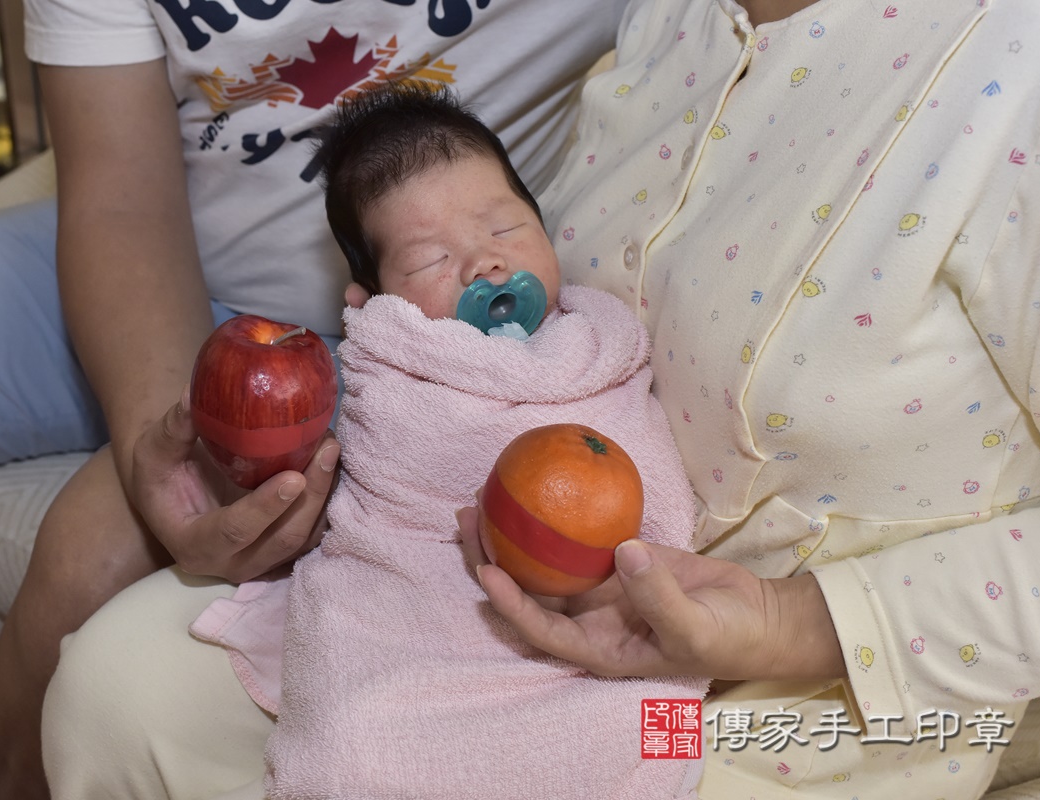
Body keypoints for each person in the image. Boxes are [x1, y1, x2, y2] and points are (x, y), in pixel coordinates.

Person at [41, 0, 1040, 798]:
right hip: (483, 615)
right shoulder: (670, 21)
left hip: (782, 701)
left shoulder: (1028, 75)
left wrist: (783, 622)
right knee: (120, 689)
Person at [0, 2, 632, 799]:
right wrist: (162, 442)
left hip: (392, 319)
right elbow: (119, 196)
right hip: (148, 242)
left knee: (81, 574)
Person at [191, 83, 707, 799]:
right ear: (372, 301)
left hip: (599, 623)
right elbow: (382, 499)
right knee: (352, 745)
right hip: (415, 637)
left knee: (641, 724)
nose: (483, 265)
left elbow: (654, 492)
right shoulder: (388, 371)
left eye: (505, 229)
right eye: (431, 259)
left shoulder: (600, 346)